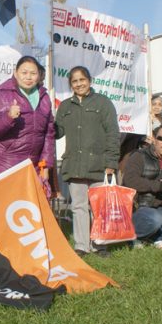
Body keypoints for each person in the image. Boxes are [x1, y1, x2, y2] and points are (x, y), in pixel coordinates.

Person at [55, 66, 119, 257]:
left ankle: (99, 245)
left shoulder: (103, 103)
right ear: (70, 84)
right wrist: (47, 122)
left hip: (99, 164)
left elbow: (113, 134)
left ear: (89, 80)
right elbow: (58, 132)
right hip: (74, 165)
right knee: (79, 206)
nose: (79, 84)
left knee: (99, 207)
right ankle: (82, 246)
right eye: (74, 81)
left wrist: (111, 162)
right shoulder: (65, 106)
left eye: (82, 80)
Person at [0, 55, 55, 177]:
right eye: (24, 72)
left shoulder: (44, 97)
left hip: (33, 165)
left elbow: (48, 134)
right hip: (5, 163)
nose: (28, 77)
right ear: (15, 73)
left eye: (33, 73)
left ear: (39, 76)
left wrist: (45, 165)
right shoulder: (2, 95)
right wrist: (8, 117)